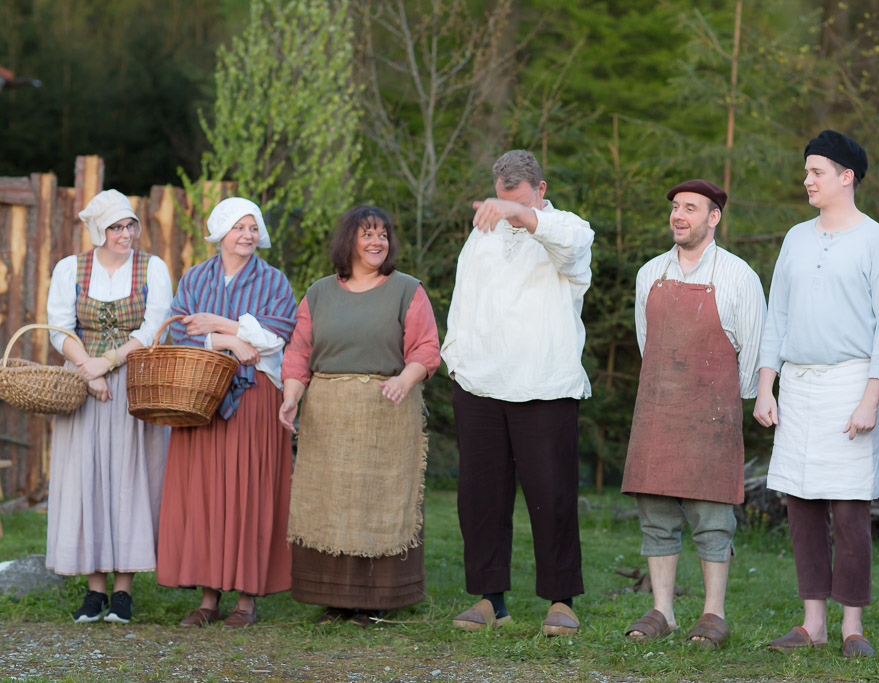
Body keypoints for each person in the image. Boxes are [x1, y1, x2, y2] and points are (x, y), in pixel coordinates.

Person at [753, 130, 879, 658]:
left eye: (817, 171)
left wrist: (870, 399)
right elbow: (776, 316)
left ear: (847, 176)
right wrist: (766, 386)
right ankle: (812, 624)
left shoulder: (876, 241)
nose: (807, 180)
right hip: (798, 384)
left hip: (850, 383)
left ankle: (851, 627)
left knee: (849, 508)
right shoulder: (796, 238)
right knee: (802, 504)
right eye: (806, 171)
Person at [442, 150, 593, 635]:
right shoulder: (481, 236)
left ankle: (561, 601)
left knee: (552, 494)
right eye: (502, 201)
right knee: (480, 498)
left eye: (519, 201)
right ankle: (491, 600)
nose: (507, 212)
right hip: (479, 384)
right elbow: (464, 298)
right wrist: (454, 358)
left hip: (544, 383)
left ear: (541, 190)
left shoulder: (568, 229)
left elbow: (570, 248)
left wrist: (521, 215)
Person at [279, 205, 440, 625]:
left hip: (386, 412)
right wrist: (292, 396)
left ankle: (376, 600)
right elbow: (298, 352)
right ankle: (333, 598)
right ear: (348, 241)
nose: (376, 242)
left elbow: (426, 348)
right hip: (328, 415)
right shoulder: (318, 293)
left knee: (378, 501)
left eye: (383, 234)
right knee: (330, 503)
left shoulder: (407, 289)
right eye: (367, 234)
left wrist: (405, 380)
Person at [621, 180, 765, 646]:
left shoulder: (739, 275)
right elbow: (647, 343)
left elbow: (754, 348)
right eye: (675, 208)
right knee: (655, 514)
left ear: (713, 217)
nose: (679, 216)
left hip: (712, 414)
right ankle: (663, 611)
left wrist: (736, 403)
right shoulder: (650, 273)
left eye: (690, 208)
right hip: (657, 409)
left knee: (713, 517)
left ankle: (713, 613)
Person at [156, 197, 297, 628]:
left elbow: (278, 335)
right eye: (239, 227)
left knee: (249, 493)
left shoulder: (273, 280)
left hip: (255, 396)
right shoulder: (196, 277)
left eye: (253, 228)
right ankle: (208, 599)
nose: (247, 235)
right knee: (205, 495)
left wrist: (219, 323)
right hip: (200, 399)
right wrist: (231, 342)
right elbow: (178, 334)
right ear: (220, 231)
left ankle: (247, 601)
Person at [45, 189, 172, 623]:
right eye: (116, 227)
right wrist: (90, 370)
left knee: (130, 481)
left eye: (129, 225)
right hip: (84, 387)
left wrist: (109, 362)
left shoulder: (152, 267)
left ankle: (123, 591)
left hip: (136, 385)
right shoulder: (70, 268)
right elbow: (59, 329)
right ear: (98, 231)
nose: (125, 234)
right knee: (88, 479)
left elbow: (154, 328)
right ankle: (94, 590)